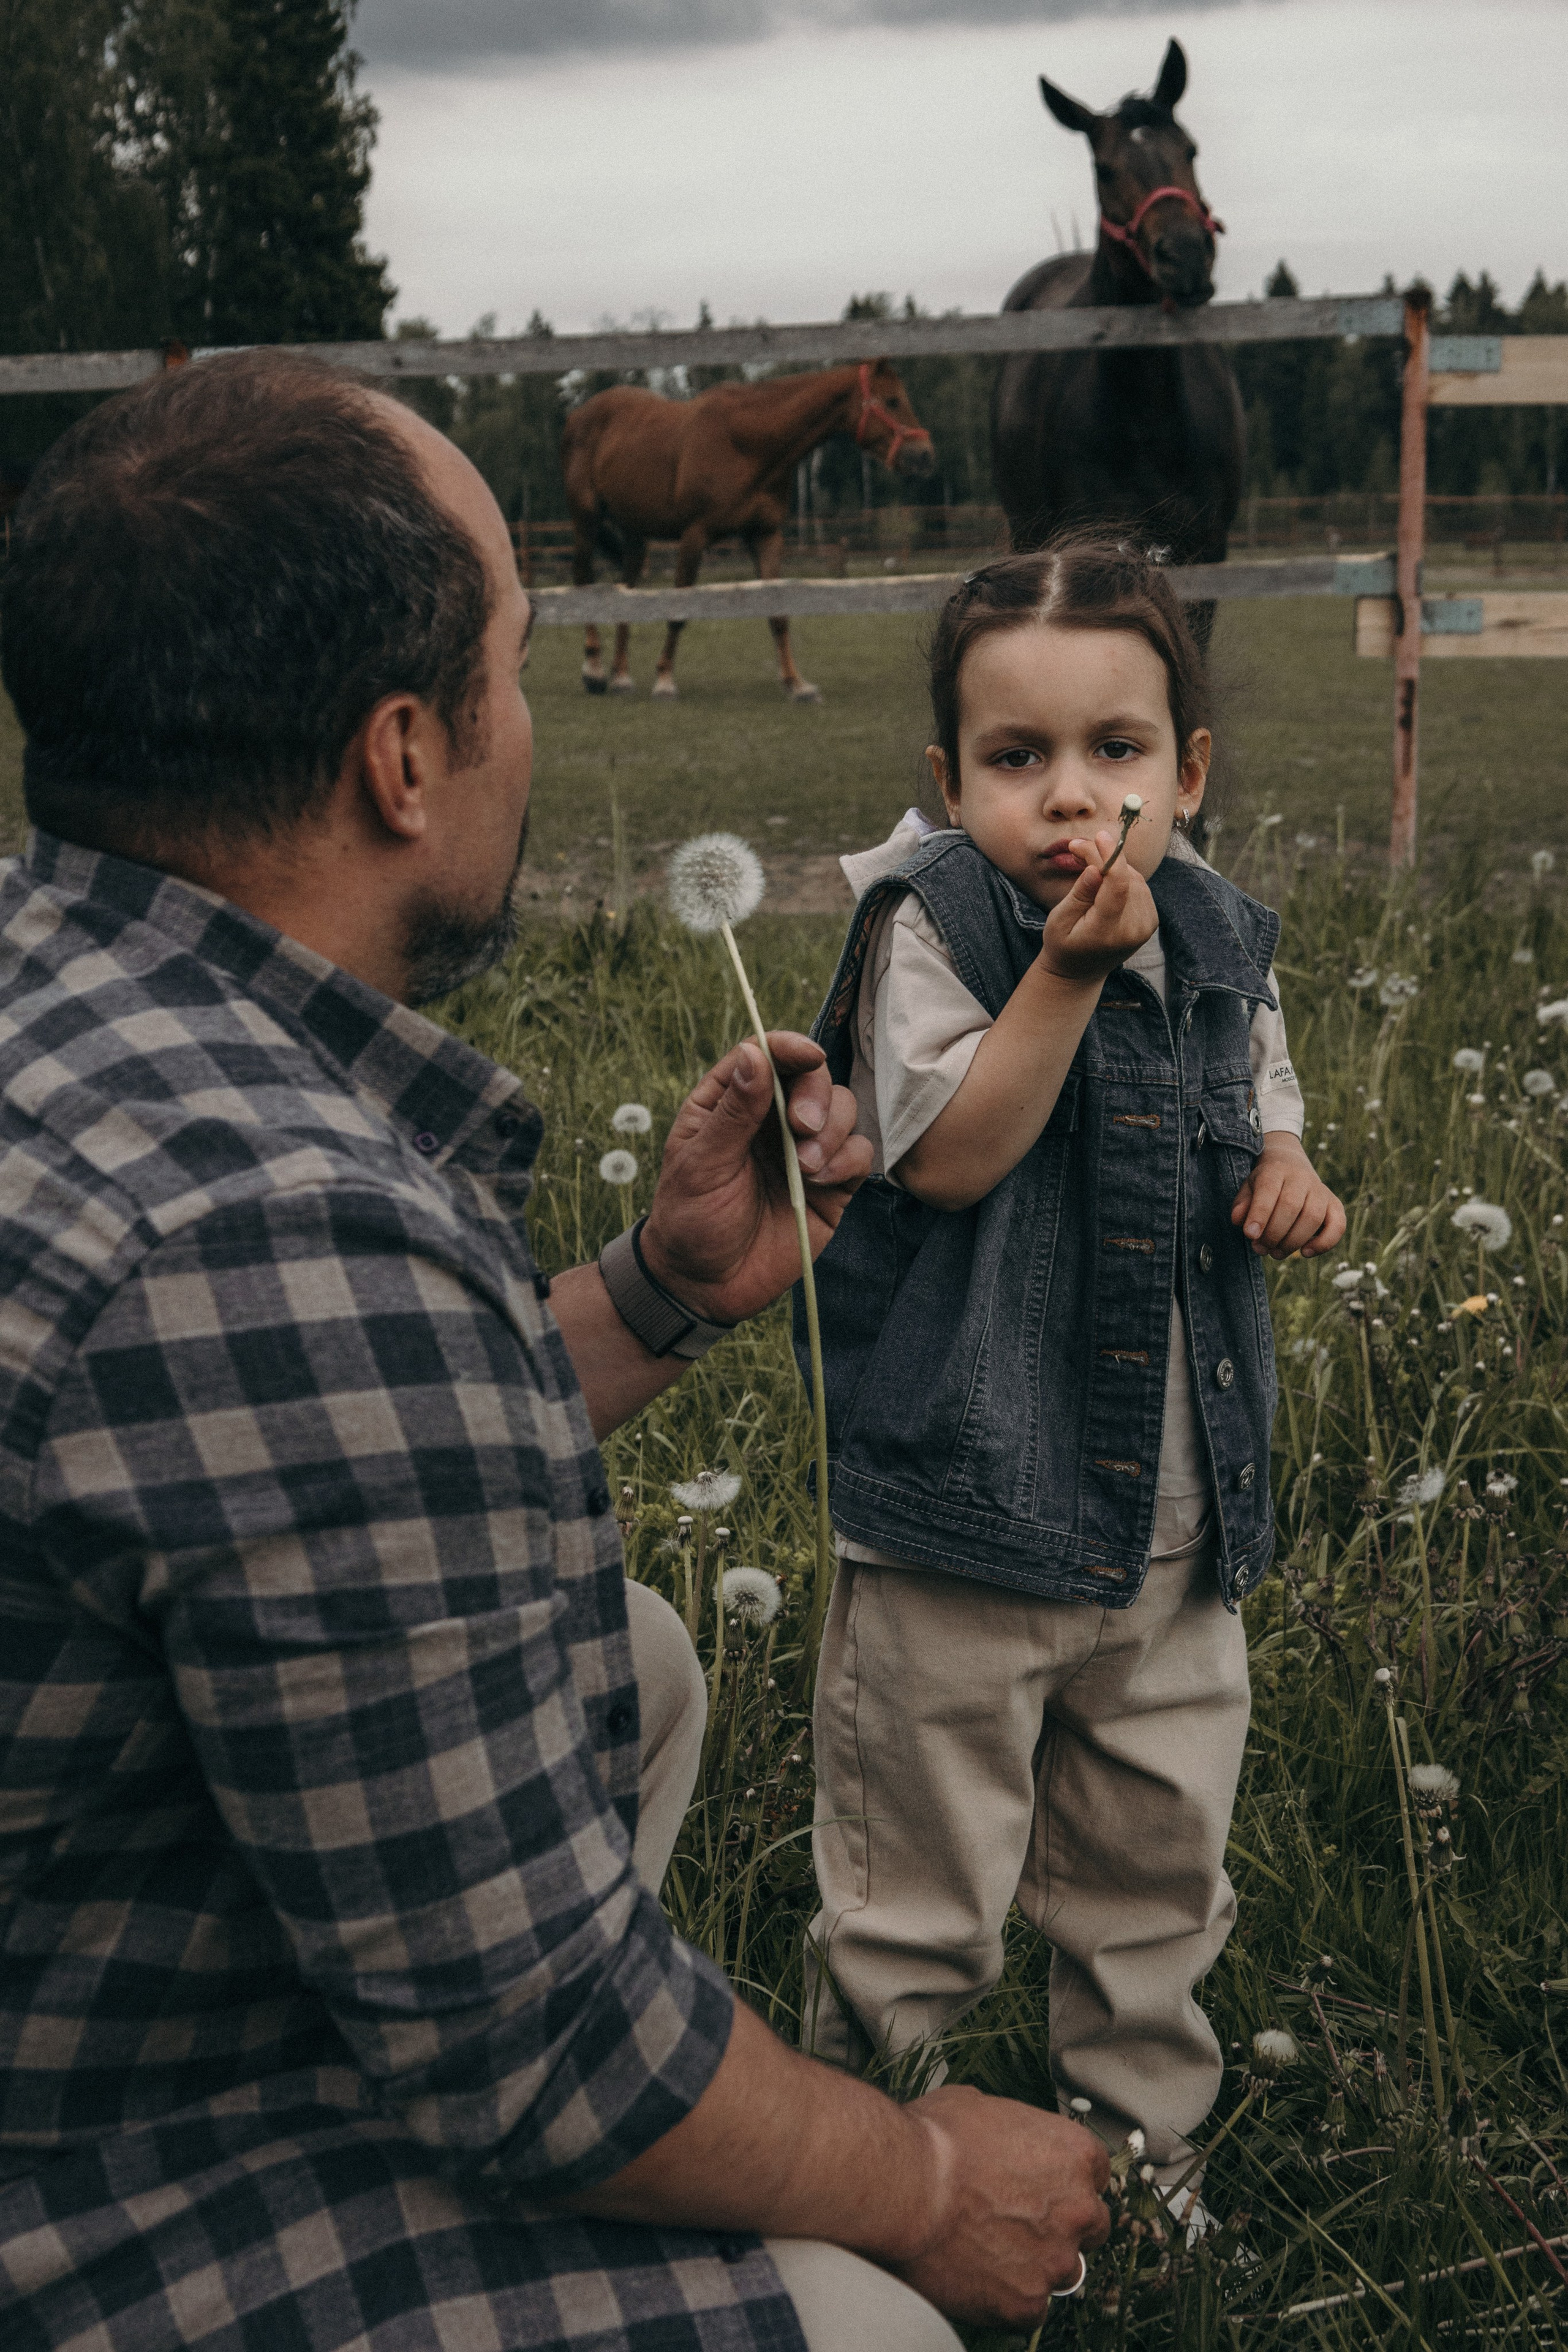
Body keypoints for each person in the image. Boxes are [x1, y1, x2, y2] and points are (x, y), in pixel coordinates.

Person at [0, 355, 1110, 2352]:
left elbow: (275, 1465)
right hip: (78, 2184)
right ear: (403, 758)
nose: (532, 719)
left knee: (637, 1659)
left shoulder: (74, 1008)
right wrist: (927, 2181)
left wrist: (656, 1291)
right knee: (871, 2329)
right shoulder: (276, 1227)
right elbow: (549, 2049)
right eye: (514, 666)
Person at [798, 544, 1346, 2211]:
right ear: (949, 778)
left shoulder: (1219, 931)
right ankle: (869, 2165)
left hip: (1175, 1526)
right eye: (1016, 757)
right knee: (917, 1892)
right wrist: (1065, 973)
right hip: (965, 1513)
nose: (1070, 799)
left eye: (1117, 750)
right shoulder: (939, 925)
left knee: (1156, 1878)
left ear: (1189, 769)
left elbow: (1261, 1080)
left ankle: (1141, 2158)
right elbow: (951, 1153)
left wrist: (1288, 1164)